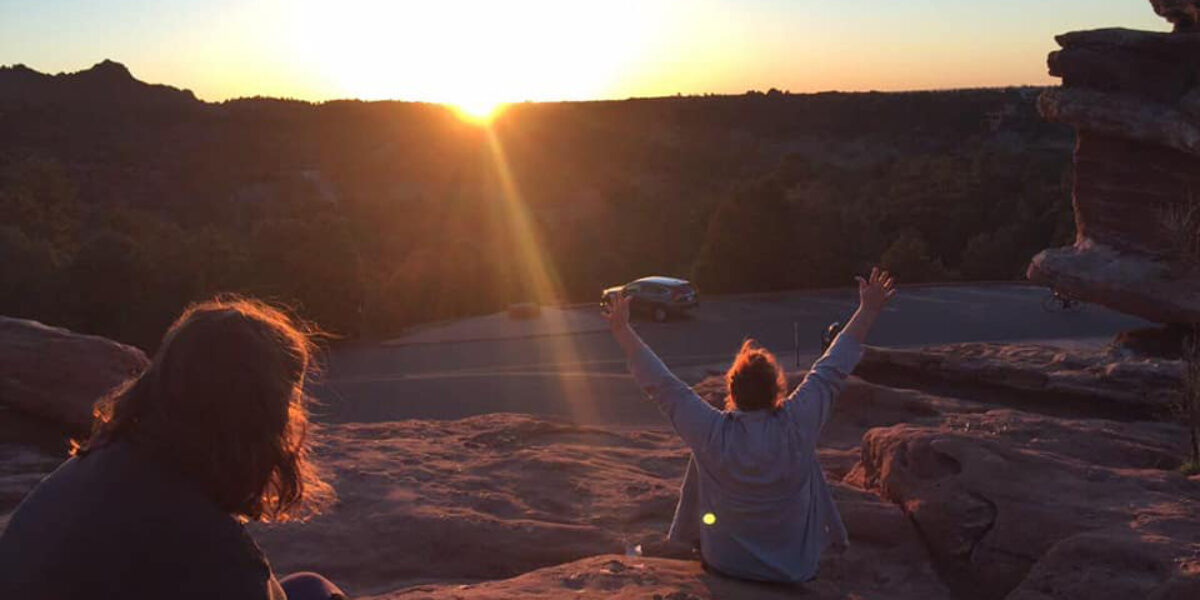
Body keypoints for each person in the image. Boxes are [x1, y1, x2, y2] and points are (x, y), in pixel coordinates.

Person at [0, 297, 345, 600]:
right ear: (257, 423)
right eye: (285, 413)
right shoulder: (220, 556)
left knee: (308, 588)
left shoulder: (93, 465)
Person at [605, 268, 896, 583]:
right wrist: (868, 310)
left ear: (732, 392)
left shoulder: (713, 432)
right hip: (795, 569)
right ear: (777, 391)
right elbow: (831, 370)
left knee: (700, 454)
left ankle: (685, 535)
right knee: (803, 455)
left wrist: (622, 330)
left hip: (725, 564)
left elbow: (664, 386)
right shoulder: (797, 423)